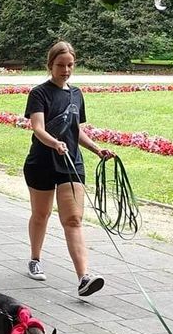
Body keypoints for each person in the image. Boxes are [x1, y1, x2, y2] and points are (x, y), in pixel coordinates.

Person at [23, 40, 114, 297]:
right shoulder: (39, 93)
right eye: (60, 65)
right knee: (41, 215)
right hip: (42, 162)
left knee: (73, 220)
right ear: (50, 65)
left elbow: (76, 129)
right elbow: (38, 128)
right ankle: (35, 258)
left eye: (70, 65)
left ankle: (84, 277)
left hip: (70, 163)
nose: (65, 70)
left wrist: (97, 149)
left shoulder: (76, 94)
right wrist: (54, 143)